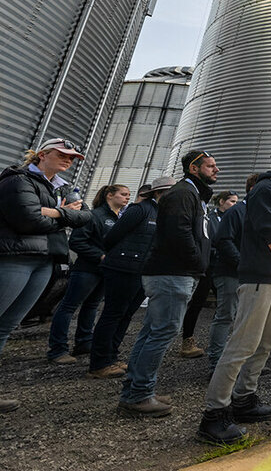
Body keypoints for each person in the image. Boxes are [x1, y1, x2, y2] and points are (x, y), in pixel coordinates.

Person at [196, 143, 271, 444]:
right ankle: (213, 415)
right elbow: (270, 231)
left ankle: (244, 399)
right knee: (243, 344)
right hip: (261, 276)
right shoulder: (266, 189)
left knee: (267, 341)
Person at [118, 149, 218, 417]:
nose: (216, 170)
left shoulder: (192, 194)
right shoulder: (183, 193)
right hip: (173, 273)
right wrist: (198, 263)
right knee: (161, 333)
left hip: (174, 272)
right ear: (194, 169)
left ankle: (136, 389)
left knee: (152, 331)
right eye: (210, 166)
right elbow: (180, 231)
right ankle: (139, 395)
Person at [0, 139, 90, 412]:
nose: (68, 160)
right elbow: (28, 219)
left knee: (6, 326)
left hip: (44, 259)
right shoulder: (18, 180)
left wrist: (53, 211)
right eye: (62, 154)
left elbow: (86, 217)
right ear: (42, 155)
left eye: (72, 157)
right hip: (15, 258)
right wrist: (65, 214)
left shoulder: (62, 187)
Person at [88, 177, 175, 379]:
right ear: (159, 193)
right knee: (113, 313)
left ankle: (112, 356)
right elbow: (112, 237)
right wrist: (120, 257)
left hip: (143, 271)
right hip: (123, 268)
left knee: (126, 314)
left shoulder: (162, 213)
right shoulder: (141, 209)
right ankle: (99, 363)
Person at [48, 183, 129, 364]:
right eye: (123, 194)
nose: (127, 197)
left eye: (128, 195)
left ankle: (84, 342)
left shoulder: (120, 218)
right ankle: (58, 349)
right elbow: (76, 242)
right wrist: (100, 256)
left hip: (105, 271)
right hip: (87, 270)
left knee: (92, 306)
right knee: (68, 306)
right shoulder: (94, 216)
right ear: (109, 195)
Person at [207, 174, 259, 377]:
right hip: (230, 272)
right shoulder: (237, 211)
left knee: (243, 318)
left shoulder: (258, 212)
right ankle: (216, 364)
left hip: (250, 275)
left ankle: (238, 362)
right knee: (225, 316)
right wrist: (241, 263)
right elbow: (223, 240)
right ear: (253, 188)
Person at [180, 191, 238, 359]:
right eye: (232, 201)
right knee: (197, 302)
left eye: (236, 201)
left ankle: (218, 340)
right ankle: (187, 340)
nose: (235, 204)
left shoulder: (232, 219)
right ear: (221, 202)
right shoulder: (211, 219)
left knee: (225, 306)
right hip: (209, 266)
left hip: (223, 267)